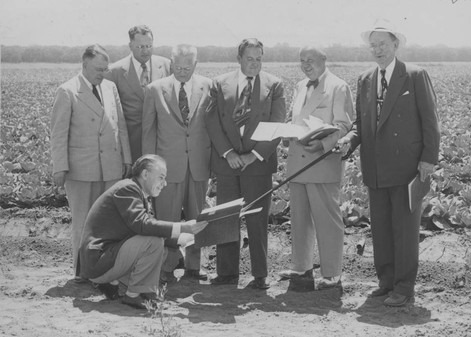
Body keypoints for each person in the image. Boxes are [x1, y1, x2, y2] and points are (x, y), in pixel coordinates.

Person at [338, 19, 440, 306]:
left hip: (408, 167)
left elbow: (430, 121)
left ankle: (405, 287)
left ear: (396, 44)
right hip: (375, 167)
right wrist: (349, 140)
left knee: (405, 229)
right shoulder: (365, 79)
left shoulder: (415, 75)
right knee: (380, 228)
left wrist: (428, 160)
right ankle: (386, 281)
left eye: (383, 44)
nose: (378, 50)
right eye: (373, 45)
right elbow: (362, 123)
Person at [205, 38, 286, 289]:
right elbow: (211, 121)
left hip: (258, 164)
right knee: (226, 218)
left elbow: (277, 124)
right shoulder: (220, 84)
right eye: (250, 59)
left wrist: (254, 155)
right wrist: (228, 152)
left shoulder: (274, 85)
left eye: (259, 58)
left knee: (257, 220)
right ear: (239, 58)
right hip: (227, 163)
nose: (255, 64)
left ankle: (260, 275)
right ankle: (227, 273)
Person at [78, 154, 208, 309]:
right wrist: (182, 227)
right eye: (161, 177)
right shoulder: (128, 188)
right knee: (153, 243)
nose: (164, 183)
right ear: (145, 174)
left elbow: (143, 227)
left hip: (104, 258)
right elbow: (142, 225)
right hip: (98, 262)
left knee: (156, 243)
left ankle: (115, 284)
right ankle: (135, 295)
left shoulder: (134, 190)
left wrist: (182, 238)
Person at [50, 44, 132, 281]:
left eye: (105, 69)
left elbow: (121, 126)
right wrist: (60, 167)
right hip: (81, 170)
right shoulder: (67, 91)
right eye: (98, 69)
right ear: (84, 64)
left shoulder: (110, 87)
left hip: (111, 169)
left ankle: (107, 270)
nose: (102, 73)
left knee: (111, 222)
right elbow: (58, 133)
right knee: (83, 222)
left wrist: (126, 158)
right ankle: (82, 272)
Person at [278, 47, 353, 292]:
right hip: (298, 163)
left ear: (324, 60)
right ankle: (302, 268)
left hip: (321, 161)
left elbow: (343, 126)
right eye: (302, 61)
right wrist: (286, 132)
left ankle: (332, 274)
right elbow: (294, 117)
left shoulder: (338, 87)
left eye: (310, 60)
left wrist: (322, 143)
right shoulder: (300, 86)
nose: (306, 65)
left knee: (327, 220)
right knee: (299, 219)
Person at [142, 44, 212, 282]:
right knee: (167, 220)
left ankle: (194, 268)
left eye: (188, 67)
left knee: (198, 219)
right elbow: (148, 133)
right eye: (178, 67)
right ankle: (167, 267)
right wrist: (149, 171)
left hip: (199, 166)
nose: (182, 71)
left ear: (196, 64)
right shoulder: (155, 90)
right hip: (167, 170)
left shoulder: (209, 87)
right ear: (172, 64)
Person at [105, 25, 171, 163]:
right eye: (140, 47)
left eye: (149, 46)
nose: (146, 51)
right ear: (130, 45)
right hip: (131, 141)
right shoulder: (114, 71)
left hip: (162, 140)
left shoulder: (167, 65)